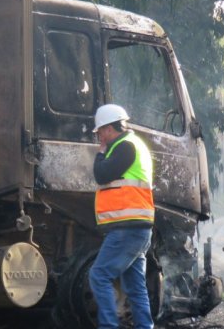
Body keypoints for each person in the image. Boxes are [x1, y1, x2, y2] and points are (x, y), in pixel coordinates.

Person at [88, 104, 155, 329]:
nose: (98, 136)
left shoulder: (125, 147)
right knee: (135, 287)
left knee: (99, 275)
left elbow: (101, 174)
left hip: (127, 228)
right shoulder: (135, 144)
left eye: (99, 131)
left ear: (108, 129)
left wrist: (100, 153)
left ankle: (108, 326)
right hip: (138, 227)